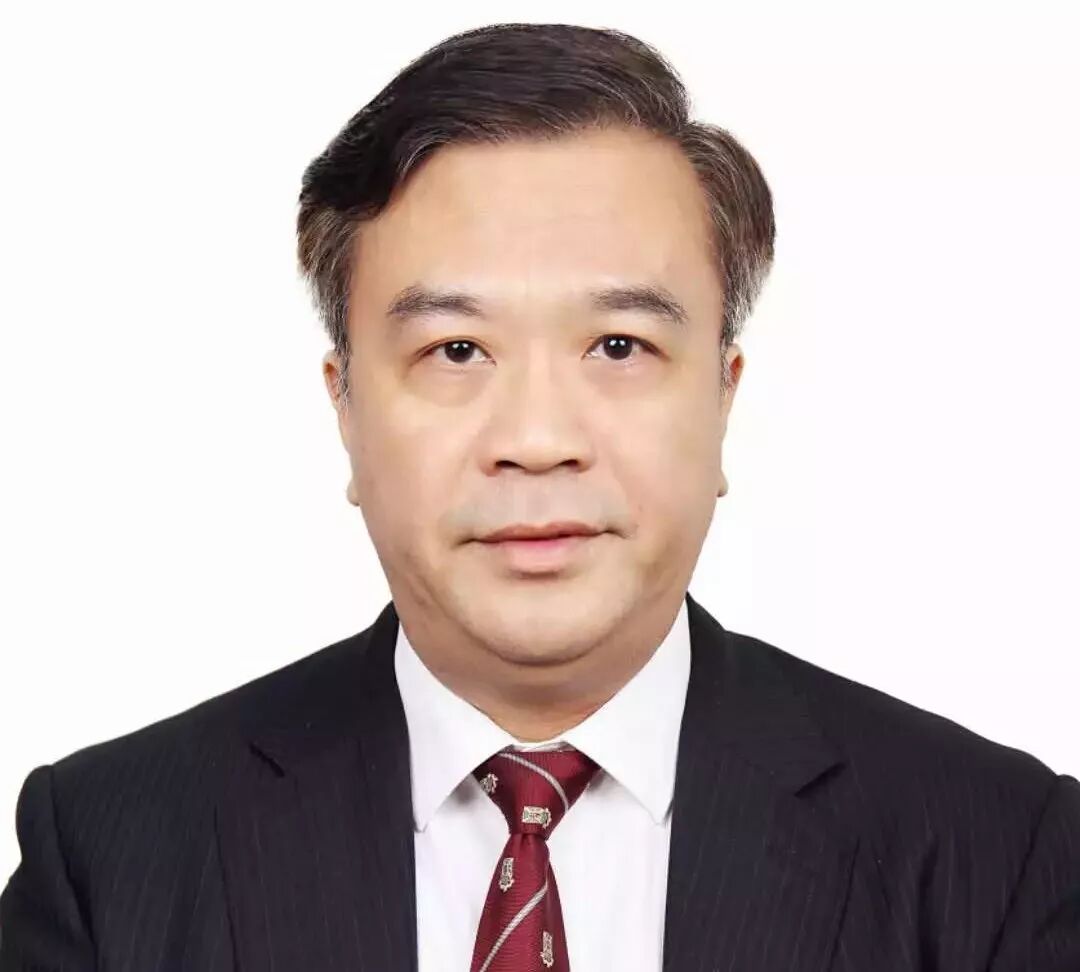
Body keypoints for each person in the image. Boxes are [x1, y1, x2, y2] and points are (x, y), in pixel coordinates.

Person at [2, 21, 1077, 972]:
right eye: (456, 350)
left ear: (723, 396)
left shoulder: (997, 855)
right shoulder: (111, 856)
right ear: (345, 408)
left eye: (618, 345)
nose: (536, 441)